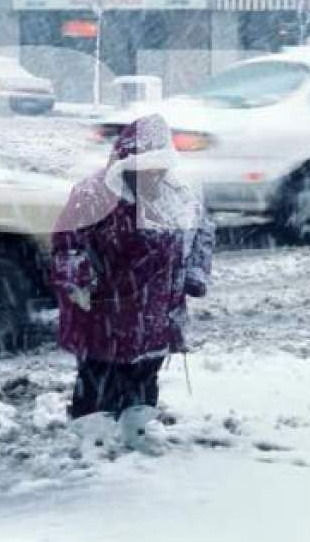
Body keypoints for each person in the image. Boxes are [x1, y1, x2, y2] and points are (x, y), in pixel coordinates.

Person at [51, 113, 215, 423]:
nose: (153, 172)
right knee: (98, 387)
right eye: (146, 164)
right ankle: (93, 440)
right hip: (102, 321)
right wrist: (78, 280)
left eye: (159, 164)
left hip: (154, 321)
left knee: (142, 385)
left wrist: (194, 275)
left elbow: (202, 233)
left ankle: (136, 438)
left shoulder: (177, 195)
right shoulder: (93, 194)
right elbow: (67, 244)